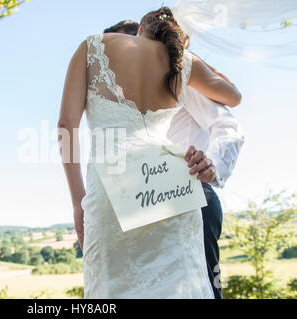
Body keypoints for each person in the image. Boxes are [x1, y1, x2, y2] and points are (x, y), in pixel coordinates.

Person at [58, 7, 242, 298]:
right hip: (172, 188)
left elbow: (66, 126)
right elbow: (234, 96)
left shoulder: (92, 46)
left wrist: (78, 202)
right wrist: (185, 57)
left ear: (142, 25)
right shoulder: (182, 63)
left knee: (114, 286)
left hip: (111, 189)